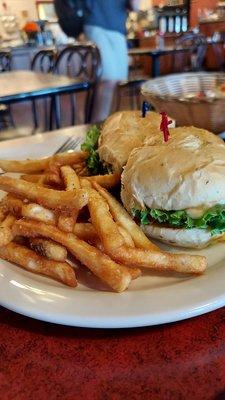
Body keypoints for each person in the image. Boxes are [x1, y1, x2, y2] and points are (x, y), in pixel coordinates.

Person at [83, 0, 141, 121]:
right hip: (107, 24)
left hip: (99, 22)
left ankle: (100, 128)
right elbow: (135, 6)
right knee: (109, 81)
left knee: (111, 82)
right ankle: (97, 130)